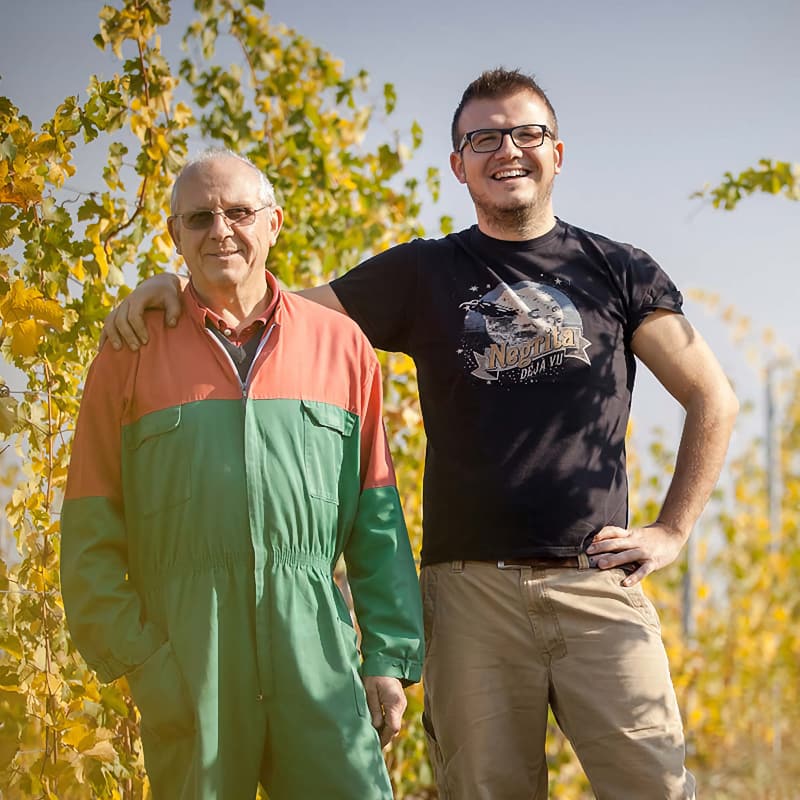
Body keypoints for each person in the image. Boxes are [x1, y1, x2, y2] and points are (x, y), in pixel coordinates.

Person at [102, 70, 739, 799]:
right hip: (469, 599)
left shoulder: (618, 271)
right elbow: (266, 311)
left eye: (527, 133)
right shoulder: (422, 272)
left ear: (557, 153)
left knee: (656, 787)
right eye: (484, 138)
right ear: (458, 164)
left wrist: (672, 531)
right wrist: (177, 291)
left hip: (596, 583)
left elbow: (711, 398)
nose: (508, 150)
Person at [61, 149, 424, 800]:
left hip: (316, 652)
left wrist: (388, 656)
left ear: (274, 222)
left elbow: (377, 520)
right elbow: (89, 528)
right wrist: (143, 662)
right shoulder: (129, 351)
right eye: (199, 218)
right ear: (174, 234)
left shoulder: (341, 347)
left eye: (239, 212)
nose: (221, 231)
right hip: (189, 659)